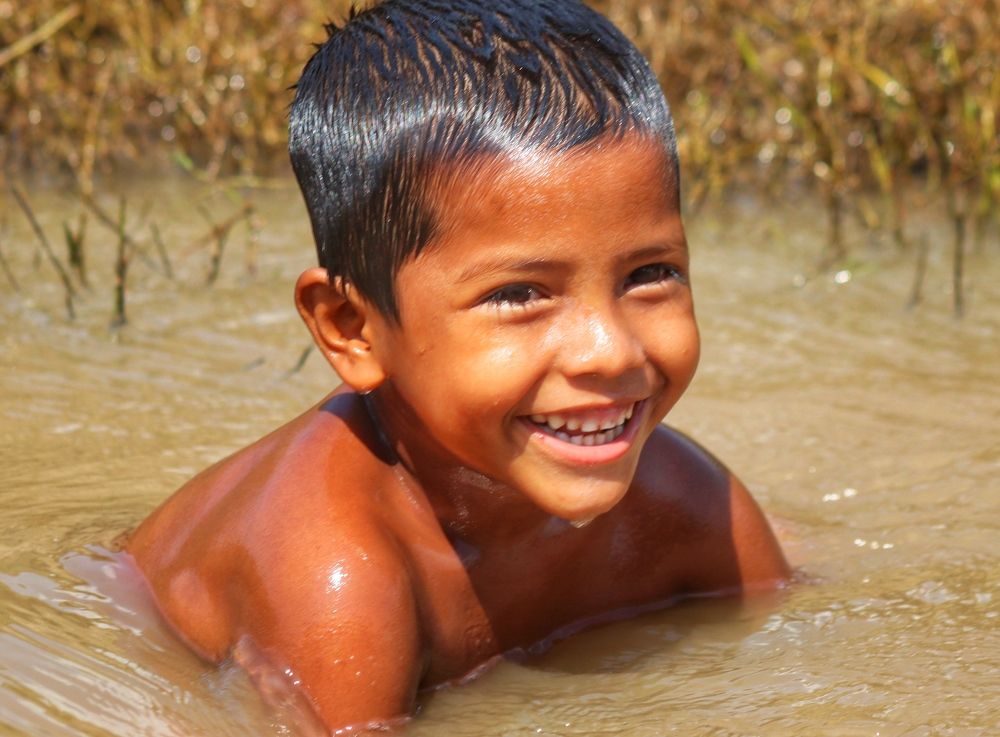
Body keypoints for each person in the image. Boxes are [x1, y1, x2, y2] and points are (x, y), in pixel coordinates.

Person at [124, 0, 789, 733]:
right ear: (353, 330)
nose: (612, 350)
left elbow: (799, 665)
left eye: (650, 274)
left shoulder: (689, 506)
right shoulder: (341, 582)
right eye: (519, 294)